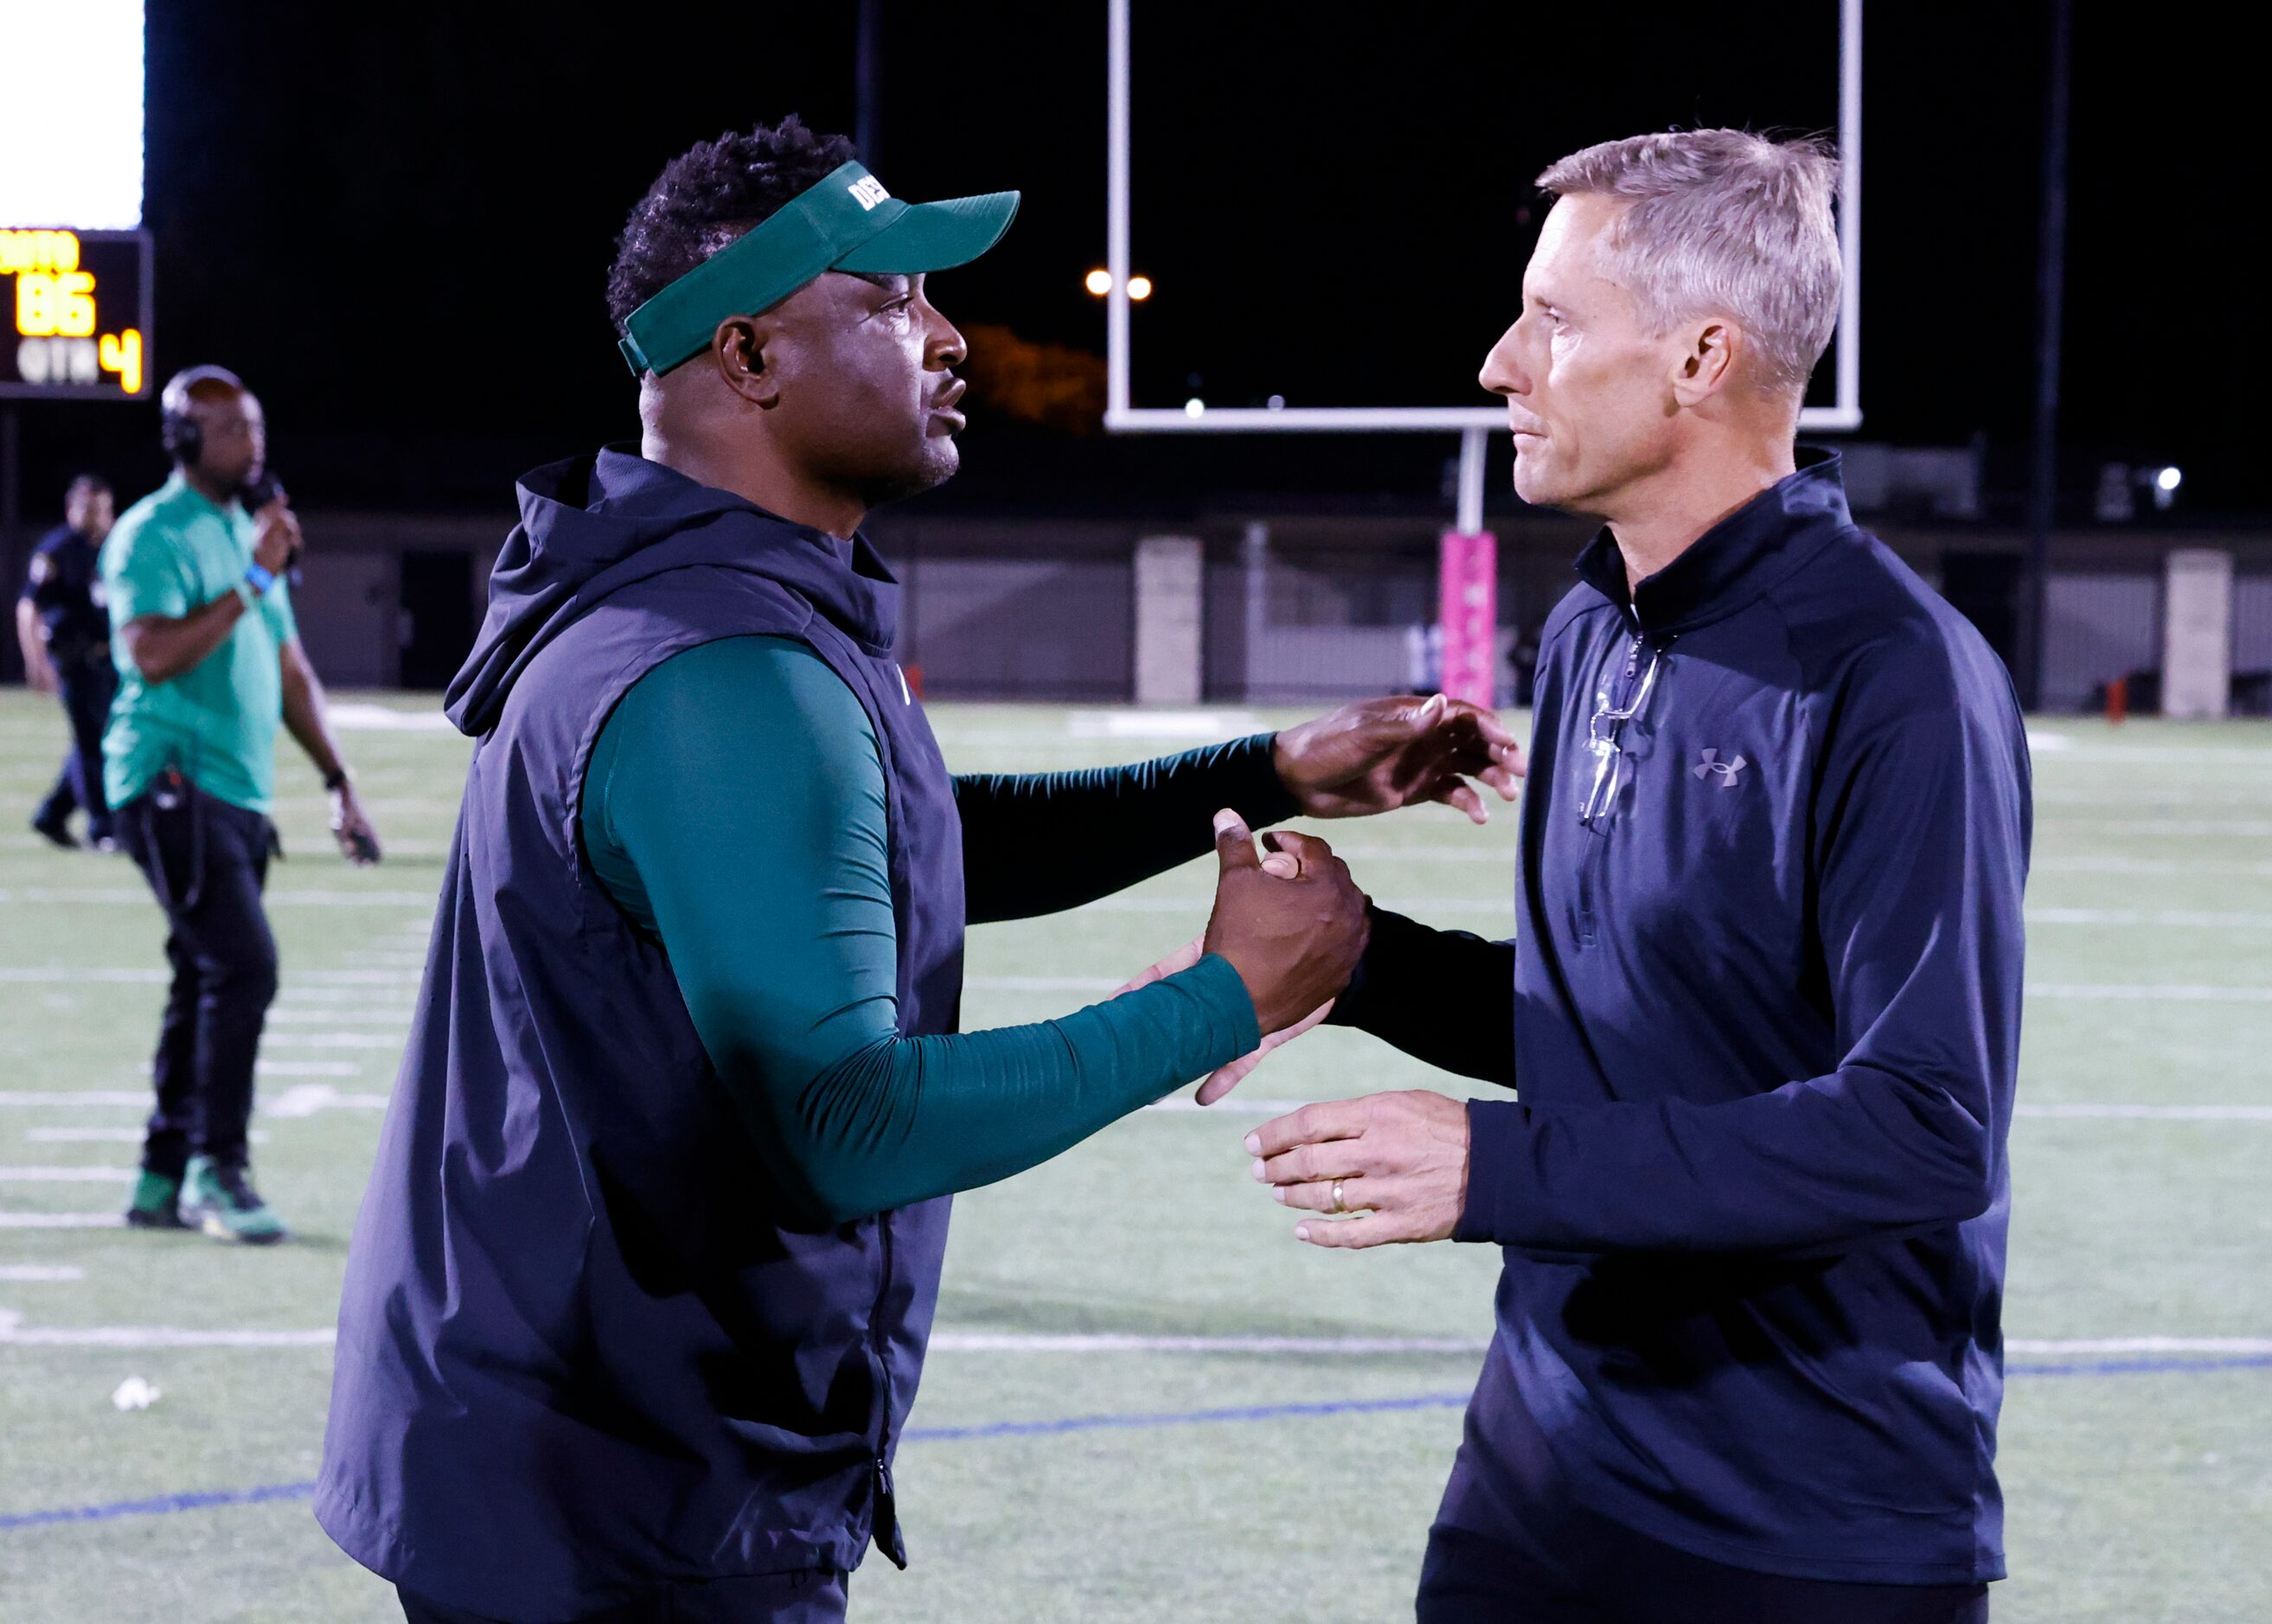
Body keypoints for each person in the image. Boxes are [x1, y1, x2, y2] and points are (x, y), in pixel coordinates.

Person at [315, 118, 1523, 1624]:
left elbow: (893, 841)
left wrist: (1262, 772)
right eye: (890, 300)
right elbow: (842, 1121)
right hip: (614, 1498)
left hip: (570, 1437)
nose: (949, 338)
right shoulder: (722, 668)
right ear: (747, 354)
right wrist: (1231, 994)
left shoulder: (698, 604)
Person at [1247, 131, 2030, 1623]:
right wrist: (1359, 962)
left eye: (1551, 318)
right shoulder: (1598, 624)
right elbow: (1619, 1024)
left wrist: (1494, 1165)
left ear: (1700, 357)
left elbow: (1926, 1129)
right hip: (1542, 1465)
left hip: (1799, 1517)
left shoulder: (1892, 674)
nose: (1498, 363)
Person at [104, 364, 383, 1245]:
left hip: (235, 788)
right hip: (169, 778)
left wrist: (337, 779)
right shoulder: (151, 534)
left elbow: (291, 671)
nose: (251, 446)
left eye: (254, 427)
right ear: (186, 441)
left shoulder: (249, 536)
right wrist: (256, 581)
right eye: (230, 431)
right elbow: (150, 655)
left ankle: (158, 1175)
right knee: (244, 967)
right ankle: (215, 1170)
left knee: (204, 975)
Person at [17, 473, 120, 848]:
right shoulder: (57, 550)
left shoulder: (116, 546)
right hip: (74, 661)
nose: (94, 517)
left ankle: (52, 814)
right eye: (87, 509)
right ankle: (103, 828)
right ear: (71, 509)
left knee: (93, 740)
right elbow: (29, 608)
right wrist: (36, 661)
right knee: (95, 745)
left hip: (110, 661)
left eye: (100, 509)